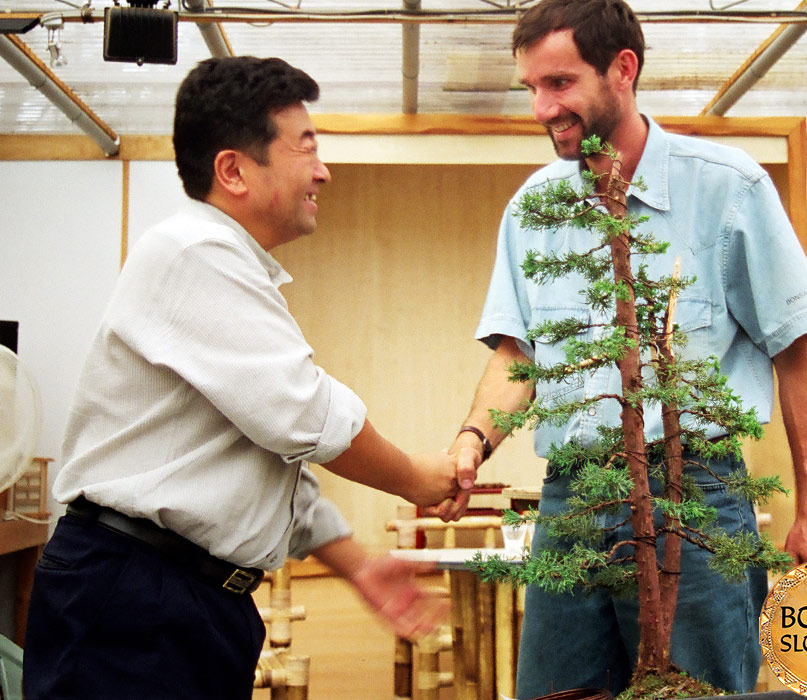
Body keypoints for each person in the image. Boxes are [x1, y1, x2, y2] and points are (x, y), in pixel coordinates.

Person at [23, 56, 474, 700]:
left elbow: (264, 459)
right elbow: (302, 415)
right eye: (306, 147)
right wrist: (415, 477)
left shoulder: (230, 267)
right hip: (136, 595)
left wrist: (360, 564)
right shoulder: (195, 253)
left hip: (189, 599)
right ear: (233, 169)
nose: (323, 171)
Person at [441, 0, 807, 696]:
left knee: (697, 688)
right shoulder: (532, 206)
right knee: (558, 689)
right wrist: (474, 437)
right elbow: (519, 353)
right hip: (573, 498)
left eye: (560, 83)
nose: (541, 107)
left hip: (695, 492)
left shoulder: (728, 187)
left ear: (622, 69)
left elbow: (797, 349)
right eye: (531, 87)